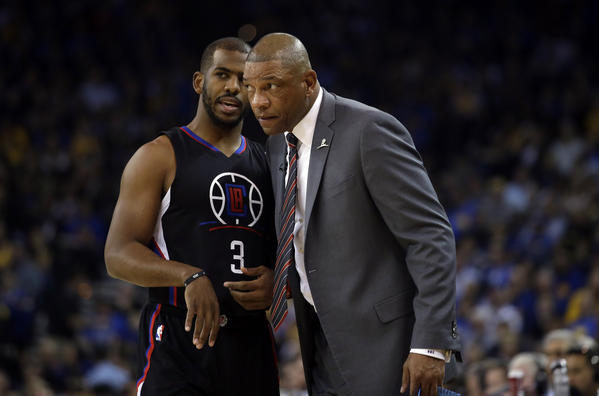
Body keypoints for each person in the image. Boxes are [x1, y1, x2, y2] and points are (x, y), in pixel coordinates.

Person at [242, 32, 461, 396]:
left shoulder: (368, 129)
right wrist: (282, 284)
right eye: (250, 88)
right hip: (322, 347)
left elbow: (430, 236)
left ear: (308, 82)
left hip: (389, 348)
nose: (258, 102)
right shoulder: (278, 143)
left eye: (271, 86)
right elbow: (311, 238)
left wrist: (431, 344)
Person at [104, 37, 279, 396]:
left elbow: (289, 251)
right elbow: (117, 254)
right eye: (222, 75)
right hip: (178, 336)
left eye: (244, 80)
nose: (233, 87)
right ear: (200, 82)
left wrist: (279, 283)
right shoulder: (159, 155)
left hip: (250, 342)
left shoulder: (270, 162)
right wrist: (188, 276)